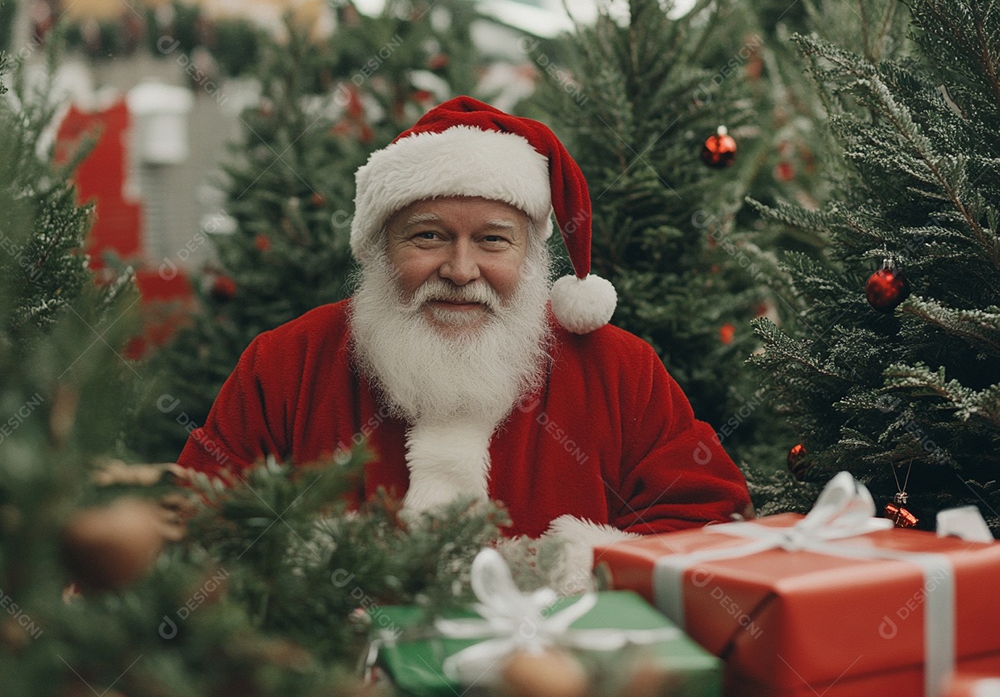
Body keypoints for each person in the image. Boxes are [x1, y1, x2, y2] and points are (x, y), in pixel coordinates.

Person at [177, 96, 751, 577]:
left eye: (493, 241)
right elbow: (197, 526)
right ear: (380, 249)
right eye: (427, 237)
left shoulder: (620, 370)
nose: (459, 269)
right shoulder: (286, 364)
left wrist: (576, 576)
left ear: (531, 255)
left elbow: (708, 526)